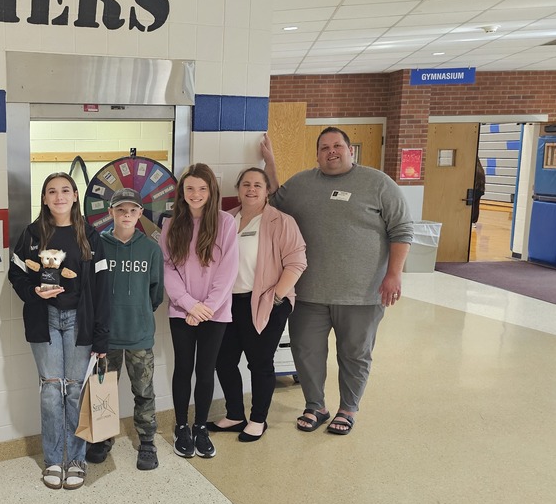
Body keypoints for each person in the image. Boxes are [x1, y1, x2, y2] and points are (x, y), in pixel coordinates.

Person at [261, 128, 412, 435]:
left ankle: (348, 408)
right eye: (324, 147)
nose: (332, 151)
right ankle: (315, 405)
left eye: (337, 146)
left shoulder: (379, 183)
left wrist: (394, 274)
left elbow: (402, 230)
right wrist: (271, 163)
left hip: (362, 294)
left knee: (355, 354)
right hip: (308, 293)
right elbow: (275, 202)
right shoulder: (303, 183)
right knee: (306, 352)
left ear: (350, 150)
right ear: (317, 155)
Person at [9, 172, 109, 490]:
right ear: (44, 198)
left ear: (76, 196)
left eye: (65, 190)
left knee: (75, 390)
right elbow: (16, 274)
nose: (59, 196)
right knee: (52, 391)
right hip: (45, 319)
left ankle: (76, 459)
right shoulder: (32, 234)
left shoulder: (91, 237)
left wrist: (101, 334)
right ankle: (53, 460)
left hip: (80, 323)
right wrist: (33, 293)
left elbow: (104, 288)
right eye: (52, 191)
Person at [212, 168, 307, 442]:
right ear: (238, 188)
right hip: (229, 304)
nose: (251, 189)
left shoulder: (281, 221)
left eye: (257, 185)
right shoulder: (226, 219)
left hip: (266, 302)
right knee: (224, 361)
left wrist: (277, 297)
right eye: (245, 184)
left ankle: (257, 419)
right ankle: (234, 414)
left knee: (260, 363)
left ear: (267, 191)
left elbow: (297, 262)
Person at [159, 164, 238, 458]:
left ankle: (200, 427)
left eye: (202, 189)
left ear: (211, 191)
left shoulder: (225, 223)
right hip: (182, 311)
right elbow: (168, 269)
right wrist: (190, 305)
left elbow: (228, 270)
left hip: (215, 313)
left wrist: (206, 308)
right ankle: (181, 426)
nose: (196, 194)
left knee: (205, 371)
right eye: (190, 188)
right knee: (183, 369)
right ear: (182, 192)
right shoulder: (170, 225)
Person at [87, 188, 164, 470]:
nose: (127, 215)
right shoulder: (99, 246)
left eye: (132, 210)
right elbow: (92, 289)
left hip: (139, 336)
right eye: (121, 210)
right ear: (111, 213)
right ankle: (102, 439)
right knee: (103, 392)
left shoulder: (151, 250)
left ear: (140, 214)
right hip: (106, 338)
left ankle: (147, 442)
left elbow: (155, 293)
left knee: (143, 391)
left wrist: (139, 314)